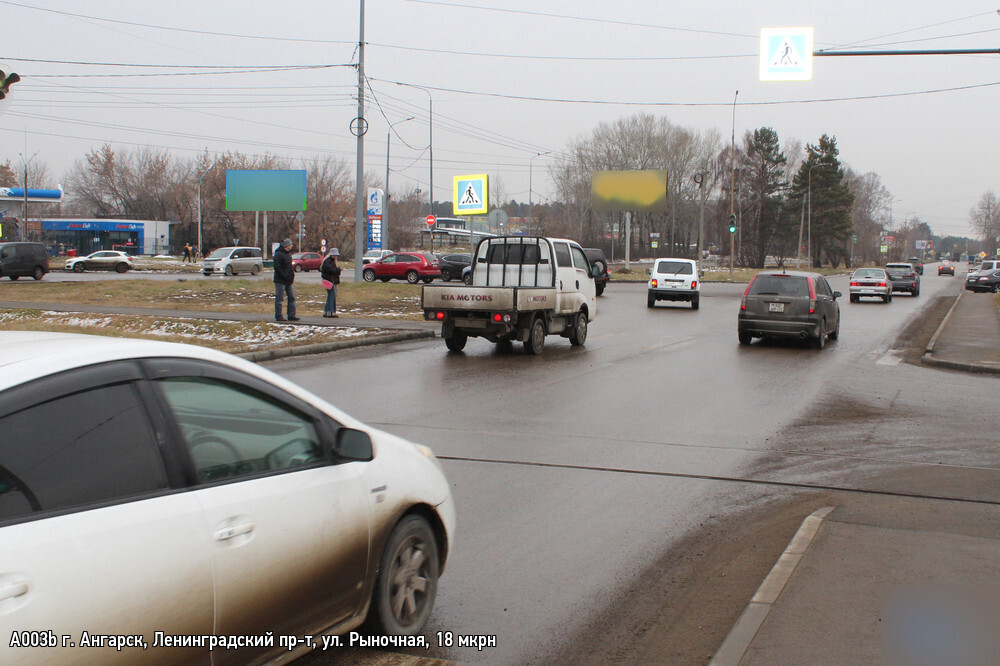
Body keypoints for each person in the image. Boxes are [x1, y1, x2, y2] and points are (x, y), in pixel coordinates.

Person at [273, 238, 299, 322]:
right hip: (281, 280)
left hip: (289, 280)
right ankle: (279, 316)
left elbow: (290, 267)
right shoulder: (278, 254)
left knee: (292, 297)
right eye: (290, 245)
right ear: (286, 246)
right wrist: (284, 275)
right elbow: (277, 267)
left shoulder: (288, 254)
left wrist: (292, 275)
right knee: (280, 299)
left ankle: (291, 315)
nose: (291, 246)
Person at [320, 248, 342, 317]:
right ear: (333, 255)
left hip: (330, 281)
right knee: (332, 296)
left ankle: (326, 311)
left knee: (330, 296)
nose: (337, 257)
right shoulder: (328, 262)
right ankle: (331, 312)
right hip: (330, 281)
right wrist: (338, 270)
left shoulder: (329, 261)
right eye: (336, 255)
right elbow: (331, 271)